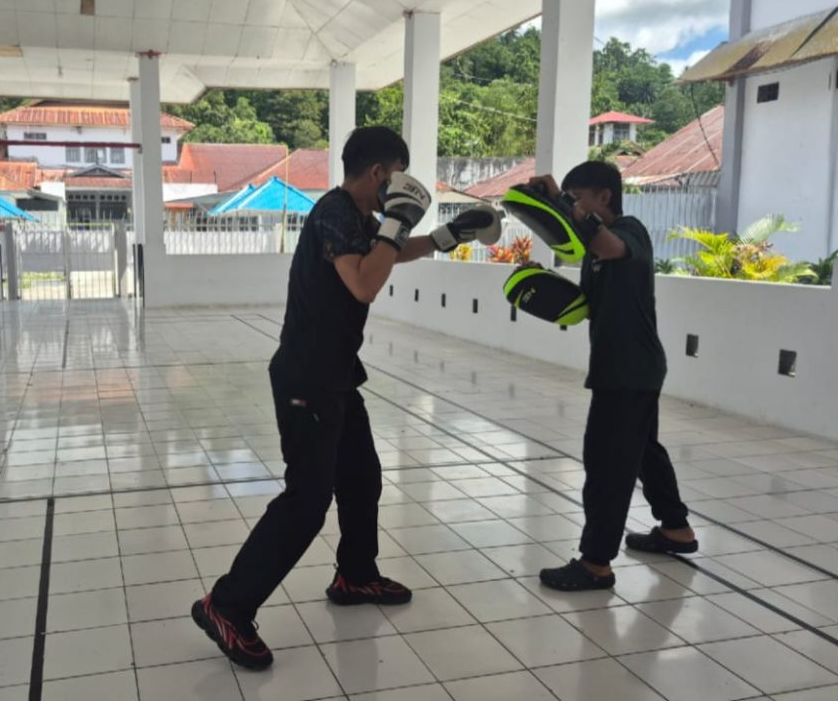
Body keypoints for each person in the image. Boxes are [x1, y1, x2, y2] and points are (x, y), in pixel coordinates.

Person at [191, 126, 502, 670]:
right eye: (398, 175)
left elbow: (387, 255)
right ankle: (227, 605)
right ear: (380, 173)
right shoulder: (335, 211)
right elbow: (363, 282)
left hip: (334, 375)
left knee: (361, 478)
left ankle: (355, 576)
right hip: (307, 380)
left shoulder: (359, 220)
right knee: (307, 500)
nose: (400, 185)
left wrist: (447, 235)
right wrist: (398, 223)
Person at [533, 161, 698, 591]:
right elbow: (588, 303)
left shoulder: (629, 230)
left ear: (604, 197)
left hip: (629, 371)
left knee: (607, 465)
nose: (573, 205)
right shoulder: (593, 251)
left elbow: (612, 248)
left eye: (578, 198)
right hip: (622, 368)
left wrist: (560, 202)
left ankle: (595, 564)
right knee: (643, 452)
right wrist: (540, 290)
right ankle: (676, 528)